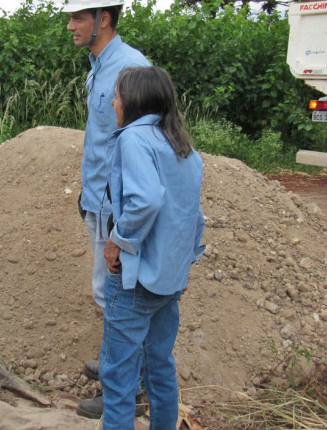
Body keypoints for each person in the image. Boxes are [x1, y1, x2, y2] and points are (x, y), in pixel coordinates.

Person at [64, 0, 151, 418]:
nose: (70, 25)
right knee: (108, 292)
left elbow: (143, 147)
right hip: (97, 200)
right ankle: (118, 367)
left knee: (117, 297)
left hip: (117, 208)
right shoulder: (99, 66)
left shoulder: (130, 69)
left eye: (78, 17)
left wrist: (122, 220)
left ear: (103, 18)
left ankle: (125, 389)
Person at [99, 66, 205, 429]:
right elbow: (194, 216)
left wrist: (117, 241)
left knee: (118, 376)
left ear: (133, 100)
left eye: (117, 95)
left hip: (134, 280)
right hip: (169, 282)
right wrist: (184, 265)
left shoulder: (133, 139)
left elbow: (145, 200)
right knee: (159, 366)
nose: (113, 102)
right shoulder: (183, 147)